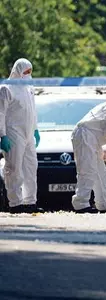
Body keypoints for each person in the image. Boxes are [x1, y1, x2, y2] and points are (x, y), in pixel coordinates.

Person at [0, 58, 43, 214]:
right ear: (17, 70)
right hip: (13, 133)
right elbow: (0, 113)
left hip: (29, 133)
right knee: (14, 168)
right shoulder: (6, 88)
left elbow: (32, 110)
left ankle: (30, 202)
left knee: (31, 167)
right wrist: (2, 135)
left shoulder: (28, 87)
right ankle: (15, 203)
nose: (28, 74)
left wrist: (36, 129)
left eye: (30, 71)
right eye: (25, 71)